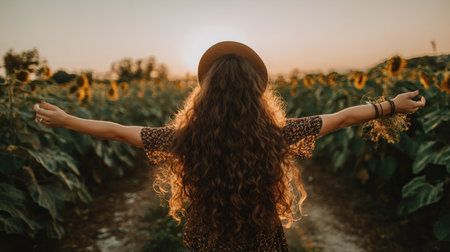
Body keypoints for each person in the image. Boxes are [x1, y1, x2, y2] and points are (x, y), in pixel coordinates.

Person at [33, 41, 426, 251]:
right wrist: (390, 105)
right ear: (257, 92)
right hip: (265, 241)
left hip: (208, 243)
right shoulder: (278, 135)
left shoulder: (183, 139)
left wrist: (66, 119)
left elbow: (118, 131)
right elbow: (342, 117)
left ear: (204, 93)